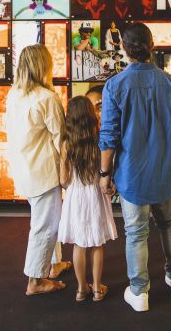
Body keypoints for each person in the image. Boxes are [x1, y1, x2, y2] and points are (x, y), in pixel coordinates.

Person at [99, 23, 171, 312]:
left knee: (136, 233)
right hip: (163, 170)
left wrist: (104, 174)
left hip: (131, 175)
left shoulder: (115, 85)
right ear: (152, 45)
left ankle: (139, 292)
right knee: (169, 223)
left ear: (124, 47)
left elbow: (109, 136)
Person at [5, 44, 70, 296]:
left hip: (25, 169)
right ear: (43, 66)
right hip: (44, 171)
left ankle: (53, 264)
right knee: (46, 225)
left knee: (47, 218)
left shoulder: (14, 95)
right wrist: (66, 172)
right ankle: (35, 279)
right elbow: (61, 139)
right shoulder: (47, 98)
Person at [58, 96, 117, 302]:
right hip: (95, 195)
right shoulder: (98, 139)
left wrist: (71, 185)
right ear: (91, 115)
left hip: (76, 197)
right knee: (97, 243)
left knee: (79, 245)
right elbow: (106, 170)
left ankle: (81, 289)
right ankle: (97, 290)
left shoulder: (67, 144)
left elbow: (63, 179)